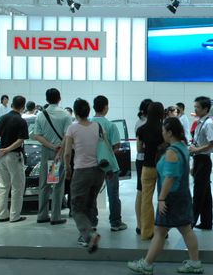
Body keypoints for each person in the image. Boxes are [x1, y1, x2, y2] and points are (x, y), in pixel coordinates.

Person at [128, 117, 203, 275]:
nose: (162, 133)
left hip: (171, 198)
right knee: (185, 230)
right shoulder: (183, 147)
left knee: (161, 231)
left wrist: (161, 199)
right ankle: (195, 262)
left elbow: (169, 178)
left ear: (169, 132)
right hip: (182, 195)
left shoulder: (171, 152)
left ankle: (147, 264)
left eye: (163, 130)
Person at [64, 98, 104, 253]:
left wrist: (68, 168)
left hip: (81, 171)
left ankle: (88, 234)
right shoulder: (97, 126)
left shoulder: (72, 129)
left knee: (76, 207)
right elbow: (103, 145)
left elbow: (67, 153)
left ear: (75, 112)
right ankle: (91, 228)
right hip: (98, 171)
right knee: (91, 202)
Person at [34, 88, 72, 225]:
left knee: (45, 184)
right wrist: (58, 149)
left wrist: (50, 145)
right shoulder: (65, 115)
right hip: (58, 154)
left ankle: (42, 215)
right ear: (59, 98)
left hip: (46, 152)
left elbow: (37, 135)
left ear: (46, 99)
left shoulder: (40, 115)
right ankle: (55, 216)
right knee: (57, 184)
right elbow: (68, 136)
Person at [90, 95, 127, 232]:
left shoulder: (88, 124)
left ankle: (92, 222)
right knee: (113, 194)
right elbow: (116, 145)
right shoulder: (111, 125)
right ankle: (115, 223)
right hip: (110, 165)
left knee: (92, 194)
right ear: (106, 107)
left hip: (92, 163)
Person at [0, 95, 29, 223]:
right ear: (23, 107)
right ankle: (14, 216)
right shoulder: (21, 121)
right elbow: (20, 140)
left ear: (12, 105)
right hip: (14, 156)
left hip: (1, 156)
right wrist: (8, 149)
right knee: (17, 187)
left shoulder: (2, 118)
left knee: (3, 186)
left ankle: (2, 215)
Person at [136, 102, 165, 240]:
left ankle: (146, 232)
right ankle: (163, 231)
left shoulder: (142, 129)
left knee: (146, 200)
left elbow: (139, 149)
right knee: (163, 198)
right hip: (163, 168)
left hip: (147, 167)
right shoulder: (164, 128)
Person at [189, 96, 213, 230]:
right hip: (199, 160)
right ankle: (207, 222)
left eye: (197, 107)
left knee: (199, 193)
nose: (195, 109)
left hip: (204, 161)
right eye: (195, 106)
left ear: (205, 109)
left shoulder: (208, 123)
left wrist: (196, 149)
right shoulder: (200, 122)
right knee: (205, 195)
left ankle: (191, 222)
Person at [134, 98, 152, 235]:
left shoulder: (139, 123)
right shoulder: (148, 124)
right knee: (144, 194)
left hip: (141, 160)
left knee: (141, 193)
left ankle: (140, 225)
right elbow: (140, 148)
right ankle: (143, 225)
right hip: (147, 160)